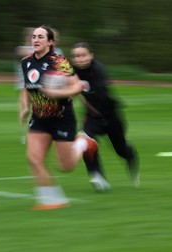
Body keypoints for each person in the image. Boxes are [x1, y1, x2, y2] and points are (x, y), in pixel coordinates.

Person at [18, 26, 98, 210]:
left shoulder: (59, 62)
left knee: (66, 166)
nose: (36, 40)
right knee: (33, 159)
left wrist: (56, 92)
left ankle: (84, 143)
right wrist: (25, 107)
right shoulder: (26, 62)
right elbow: (26, 87)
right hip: (39, 118)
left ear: (50, 42)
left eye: (41, 37)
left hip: (61, 118)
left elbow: (77, 87)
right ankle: (51, 200)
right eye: (34, 36)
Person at [71, 42, 140, 191]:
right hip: (92, 117)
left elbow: (96, 94)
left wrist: (75, 90)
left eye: (83, 55)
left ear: (91, 55)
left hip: (110, 116)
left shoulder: (97, 70)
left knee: (120, 150)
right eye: (76, 56)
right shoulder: (72, 71)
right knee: (84, 142)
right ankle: (97, 176)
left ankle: (131, 155)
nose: (80, 59)